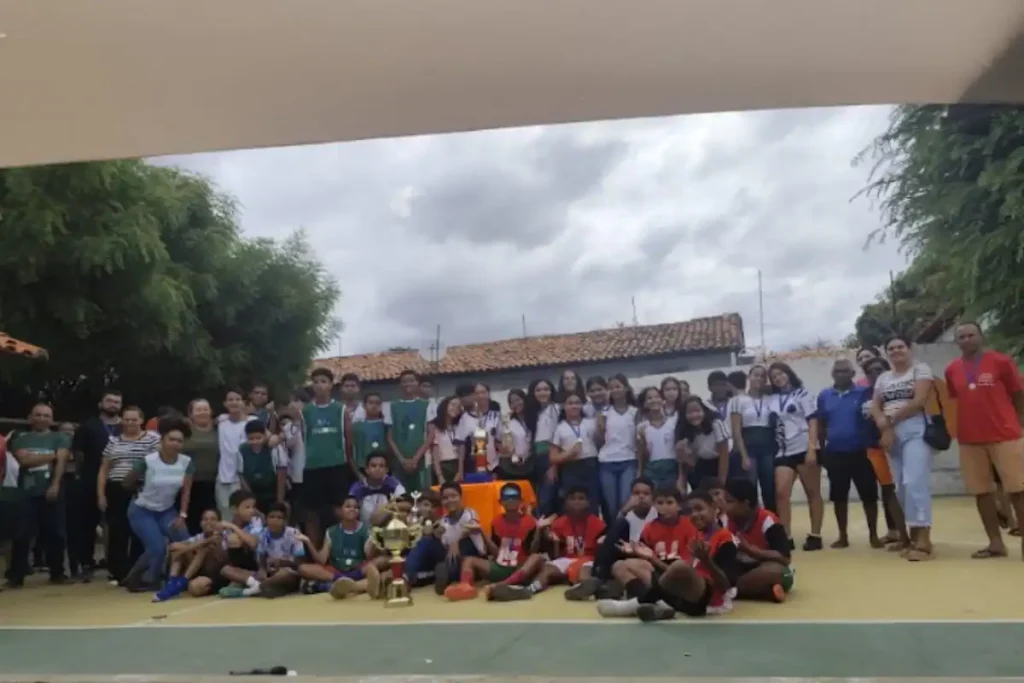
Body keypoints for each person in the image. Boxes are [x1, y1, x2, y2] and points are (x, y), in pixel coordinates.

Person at [944, 321, 1024, 559]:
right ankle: (995, 543)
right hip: (970, 439)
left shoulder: (1001, 361)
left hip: (1005, 435)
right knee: (982, 493)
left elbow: (1018, 394)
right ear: (956, 342)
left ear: (981, 336)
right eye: (961, 337)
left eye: (971, 335)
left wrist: (1019, 424)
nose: (967, 340)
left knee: (1019, 490)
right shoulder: (952, 370)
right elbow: (956, 400)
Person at [597, 490, 737, 621]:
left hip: (708, 601)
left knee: (680, 567)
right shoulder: (698, 534)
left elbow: (726, 585)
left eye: (699, 509)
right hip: (684, 592)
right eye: (691, 511)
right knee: (621, 565)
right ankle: (660, 606)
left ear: (713, 507)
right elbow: (680, 572)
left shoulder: (725, 538)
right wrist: (652, 559)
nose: (694, 515)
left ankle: (636, 604)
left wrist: (707, 561)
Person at [870, 335, 935, 561]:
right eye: (891, 348)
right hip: (891, 435)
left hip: (915, 429)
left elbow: (918, 401)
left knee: (915, 481)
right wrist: (881, 423)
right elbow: (875, 405)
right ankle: (915, 537)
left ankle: (924, 541)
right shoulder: (883, 378)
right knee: (901, 488)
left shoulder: (920, 370)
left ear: (910, 349)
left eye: (900, 347)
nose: (896, 351)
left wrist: (889, 424)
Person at [487, 486, 605, 602]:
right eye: (572, 498)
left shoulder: (598, 524)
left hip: (588, 559)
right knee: (547, 569)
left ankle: (582, 587)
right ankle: (528, 590)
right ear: (566, 503)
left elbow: (601, 555)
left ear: (588, 502)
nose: (577, 502)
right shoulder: (559, 523)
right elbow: (555, 556)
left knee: (585, 570)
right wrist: (550, 539)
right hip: (566, 559)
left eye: (581, 498)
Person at [122, 415, 194, 593]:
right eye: (171, 440)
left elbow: (186, 491)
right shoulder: (148, 460)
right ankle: (145, 579)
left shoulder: (186, 463)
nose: (175, 444)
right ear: (162, 440)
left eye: (179, 441)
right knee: (157, 548)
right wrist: (136, 481)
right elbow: (125, 482)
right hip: (142, 510)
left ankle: (179, 576)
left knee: (184, 541)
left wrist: (182, 515)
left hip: (166, 510)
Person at [815, 359, 882, 548]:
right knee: (839, 497)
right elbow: (820, 424)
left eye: (846, 371)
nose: (841, 374)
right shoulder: (824, 395)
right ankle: (843, 536)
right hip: (835, 453)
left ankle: (874, 535)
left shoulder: (864, 393)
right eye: (837, 371)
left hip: (861, 452)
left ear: (853, 374)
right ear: (832, 373)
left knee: (869, 495)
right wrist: (821, 449)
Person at [6, 403, 72, 588]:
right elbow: (23, 460)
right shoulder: (20, 437)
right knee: (21, 534)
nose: (42, 418)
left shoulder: (60, 437)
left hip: (51, 490)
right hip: (25, 492)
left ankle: (57, 573)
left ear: (52, 419)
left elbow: (63, 461)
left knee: (56, 534)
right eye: (38, 415)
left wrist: (55, 484)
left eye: (46, 415)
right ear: (30, 417)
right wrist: (52, 456)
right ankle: (16, 576)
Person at [443, 482, 538, 601]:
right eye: (506, 497)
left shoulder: (530, 522)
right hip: (501, 566)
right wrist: (481, 531)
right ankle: (465, 587)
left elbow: (533, 550)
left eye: (514, 497)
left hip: (521, 568)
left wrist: (539, 530)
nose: (510, 500)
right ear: (500, 502)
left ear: (521, 501)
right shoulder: (496, 522)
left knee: (536, 557)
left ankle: (504, 585)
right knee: (469, 560)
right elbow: (496, 554)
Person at [567, 476, 657, 601]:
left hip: (648, 555)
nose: (641, 497)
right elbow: (614, 537)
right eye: (636, 493)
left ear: (653, 497)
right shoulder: (627, 515)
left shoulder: (657, 513)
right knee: (614, 533)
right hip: (628, 552)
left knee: (613, 549)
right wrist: (624, 510)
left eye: (646, 494)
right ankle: (600, 581)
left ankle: (602, 582)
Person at [766, 362, 824, 551]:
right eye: (774, 376)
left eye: (781, 374)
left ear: (788, 373)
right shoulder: (771, 398)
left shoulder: (803, 394)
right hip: (783, 451)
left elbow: (813, 421)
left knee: (812, 492)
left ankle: (815, 535)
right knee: (782, 493)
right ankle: (787, 536)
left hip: (803, 447)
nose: (778, 378)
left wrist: (812, 449)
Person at [98, 406, 159, 585]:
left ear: (141, 420)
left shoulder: (153, 440)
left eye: (134, 419)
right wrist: (101, 494)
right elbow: (104, 469)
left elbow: (157, 464)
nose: (130, 423)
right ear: (121, 421)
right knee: (118, 530)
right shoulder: (113, 441)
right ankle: (118, 572)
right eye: (127, 419)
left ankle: (138, 570)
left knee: (139, 530)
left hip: (141, 489)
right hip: (115, 489)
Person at [70, 390, 122, 582]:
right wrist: (80, 475)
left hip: (118, 482)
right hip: (90, 481)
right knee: (87, 524)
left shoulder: (125, 427)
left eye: (117, 402)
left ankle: (114, 564)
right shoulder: (88, 426)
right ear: (101, 404)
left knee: (115, 524)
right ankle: (86, 563)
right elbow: (79, 453)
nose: (113, 405)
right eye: (109, 400)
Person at [403, 482, 484, 593]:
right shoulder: (442, 521)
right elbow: (441, 543)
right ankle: (407, 578)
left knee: (465, 544)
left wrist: (456, 542)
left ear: (461, 498)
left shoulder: (469, 513)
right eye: (445, 498)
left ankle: (443, 575)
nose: (450, 500)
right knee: (426, 541)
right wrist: (432, 534)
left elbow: (471, 528)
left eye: (453, 496)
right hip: (449, 557)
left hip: (469, 555)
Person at [302, 367, 352, 545]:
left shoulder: (341, 409)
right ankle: (314, 553)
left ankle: (344, 548)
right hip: (312, 468)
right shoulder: (305, 411)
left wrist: (348, 463)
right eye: (315, 382)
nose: (319, 385)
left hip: (336, 465)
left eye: (323, 381)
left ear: (331, 385)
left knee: (340, 511)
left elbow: (348, 440)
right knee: (311, 513)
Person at [724, 477, 793, 602]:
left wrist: (751, 551)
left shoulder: (768, 521)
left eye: (730, 502)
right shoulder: (724, 520)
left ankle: (733, 591)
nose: (725, 507)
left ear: (745, 503)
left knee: (775, 572)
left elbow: (785, 558)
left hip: (760, 566)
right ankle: (762, 592)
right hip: (737, 568)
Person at [861, 357, 906, 546]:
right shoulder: (863, 394)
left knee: (904, 490)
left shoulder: (896, 391)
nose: (875, 374)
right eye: (870, 371)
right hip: (875, 448)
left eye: (879, 369)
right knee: (888, 491)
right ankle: (898, 533)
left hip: (898, 445)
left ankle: (910, 534)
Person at [731, 365, 777, 512]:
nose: (759, 378)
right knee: (750, 487)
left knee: (769, 487)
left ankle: (772, 521)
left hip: (768, 447)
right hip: (749, 448)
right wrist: (744, 455)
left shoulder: (771, 399)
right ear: (749, 377)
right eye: (755, 375)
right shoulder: (738, 400)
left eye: (763, 376)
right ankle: (752, 523)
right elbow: (736, 431)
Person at [595, 374, 639, 522]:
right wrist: (600, 427)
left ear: (626, 388)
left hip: (629, 460)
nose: (615, 390)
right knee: (611, 506)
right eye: (611, 387)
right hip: (607, 462)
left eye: (618, 386)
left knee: (625, 504)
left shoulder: (634, 411)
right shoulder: (604, 412)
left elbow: (639, 439)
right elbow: (599, 441)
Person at [157, 508, 223, 601]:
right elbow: (172, 547)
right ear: (201, 523)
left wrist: (198, 545)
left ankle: (181, 582)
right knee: (180, 549)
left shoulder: (224, 535)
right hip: (199, 571)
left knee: (201, 550)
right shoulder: (199, 537)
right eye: (205, 519)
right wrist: (204, 542)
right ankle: (172, 583)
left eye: (213, 519)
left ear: (219, 522)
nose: (209, 522)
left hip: (216, 573)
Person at [549, 392, 600, 509]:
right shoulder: (559, 428)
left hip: (591, 466)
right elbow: (553, 457)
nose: (574, 406)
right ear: (564, 406)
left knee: (592, 501)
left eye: (577, 403)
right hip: (571, 468)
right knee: (572, 503)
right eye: (570, 403)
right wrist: (569, 454)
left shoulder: (591, 423)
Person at [215, 490, 267, 598]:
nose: (252, 511)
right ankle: (253, 586)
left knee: (235, 539)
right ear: (234, 510)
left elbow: (253, 543)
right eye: (247, 507)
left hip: (257, 567)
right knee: (225, 572)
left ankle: (254, 585)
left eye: (253, 507)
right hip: (239, 571)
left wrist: (233, 527)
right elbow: (222, 557)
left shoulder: (255, 521)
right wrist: (218, 538)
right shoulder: (226, 528)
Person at [385, 369, 432, 491]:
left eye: (411, 380)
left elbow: (431, 435)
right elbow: (389, 438)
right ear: (400, 384)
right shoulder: (392, 406)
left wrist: (415, 459)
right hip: (399, 462)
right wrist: (402, 460)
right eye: (404, 381)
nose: (408, 384)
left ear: (418, 383)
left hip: (421, 462)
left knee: (422, 495)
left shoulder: (427, 405)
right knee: (401, 497)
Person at [675, 396, 730, 492]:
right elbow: (691, 463)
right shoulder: (685, 430)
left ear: (704, 411)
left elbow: (724, 454)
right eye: (690, 412)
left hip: (721, 462)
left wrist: (721, 483)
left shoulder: (715, 423)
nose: (694, 415)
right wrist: (683, 453)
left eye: (697, 411)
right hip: (702, 464)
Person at [525, 379, 560, 515]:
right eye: (538, 390)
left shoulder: (556, 409)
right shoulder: (534, 412)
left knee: (547, 499)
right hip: (536, 458)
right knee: (537, 498)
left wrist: (554, 465)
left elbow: (558, 437)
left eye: (546, 389)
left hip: (550, 457)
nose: (542, 393)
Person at [238, 420, 286, 514]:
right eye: (251, 438)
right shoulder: (242, 450)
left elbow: (281, 474)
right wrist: (251, 500)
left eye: (258, 438)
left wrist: (279, 502)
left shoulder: (274, 449)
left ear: (265, 436)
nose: (255, 441)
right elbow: (241, 475)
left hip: (272, 492)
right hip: (253, 493)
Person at [349, 451, 406, 527]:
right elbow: (349, 509)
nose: (377, 469)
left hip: (388, 529)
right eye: (373, 466)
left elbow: (408, 504)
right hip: (364, 530)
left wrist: (386, 507)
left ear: (387, 470)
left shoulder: (393, 484)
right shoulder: (357, 488)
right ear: (367, 469)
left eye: (381, 466)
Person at [636, 387, 678, 489]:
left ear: (663, 400)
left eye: (657, 397)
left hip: (672, 467)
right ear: (645, 403)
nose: (654, 400)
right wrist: (639, 475)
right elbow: (642, 455)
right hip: (652, 470)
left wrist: (682, 476)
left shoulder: (674, 422)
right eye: (649, 398)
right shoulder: (642, 427)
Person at [350, 393, 388, 475]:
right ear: (364, 405)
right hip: (362, 468)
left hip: (383, 469)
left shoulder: (386, 426)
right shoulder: (356, 426)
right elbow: (351, 451)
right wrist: (357, 472)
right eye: (370, 403)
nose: (374, 406)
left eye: (377, 403)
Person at [429, 397, 464, 484]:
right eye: (453, 405)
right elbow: (435, 452)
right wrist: (439, 475)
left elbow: (461, 451)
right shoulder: (435, 426)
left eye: (458, 407)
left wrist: (460, 471)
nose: (455, 409)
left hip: (456, 465)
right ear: (445, 406)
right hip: (442, 466)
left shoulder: (458, 426)